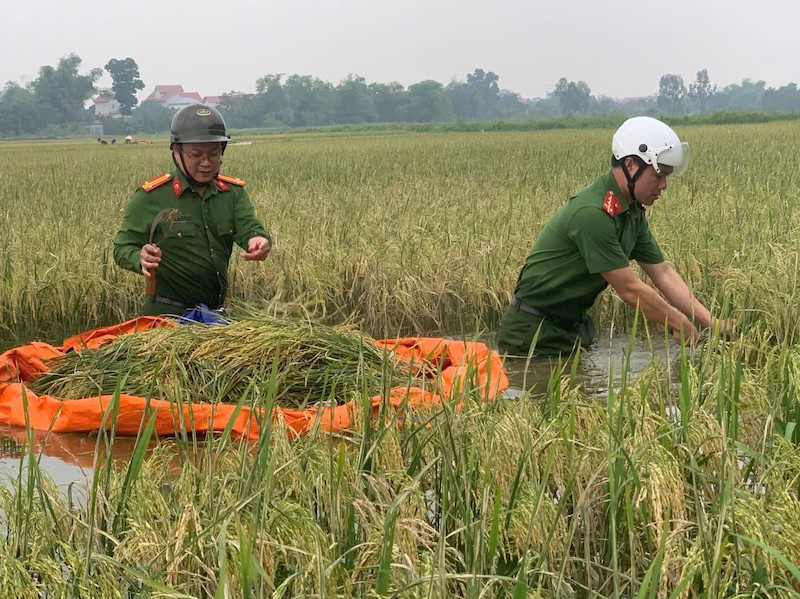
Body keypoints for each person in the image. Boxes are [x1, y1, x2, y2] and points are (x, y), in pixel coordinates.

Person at [497, 116, 735, 357]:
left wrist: (712, 323)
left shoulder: (631, 212)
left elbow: (663, 273)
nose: (664, 185)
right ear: (631, 165)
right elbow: (629, 289)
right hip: (533, 336)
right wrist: (676, 320)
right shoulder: (593, 214)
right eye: (659, 174)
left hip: (573, 330)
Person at [113, 103, 271, 316]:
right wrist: (139, 257)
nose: (206, 163)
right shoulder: (150, 196)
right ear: (176, 151)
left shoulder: (232, 193)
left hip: (214, 316)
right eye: (196, 155)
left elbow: (249, 227)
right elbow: (122, 247)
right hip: (166, 319)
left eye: (214, 154)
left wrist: (258, 241)